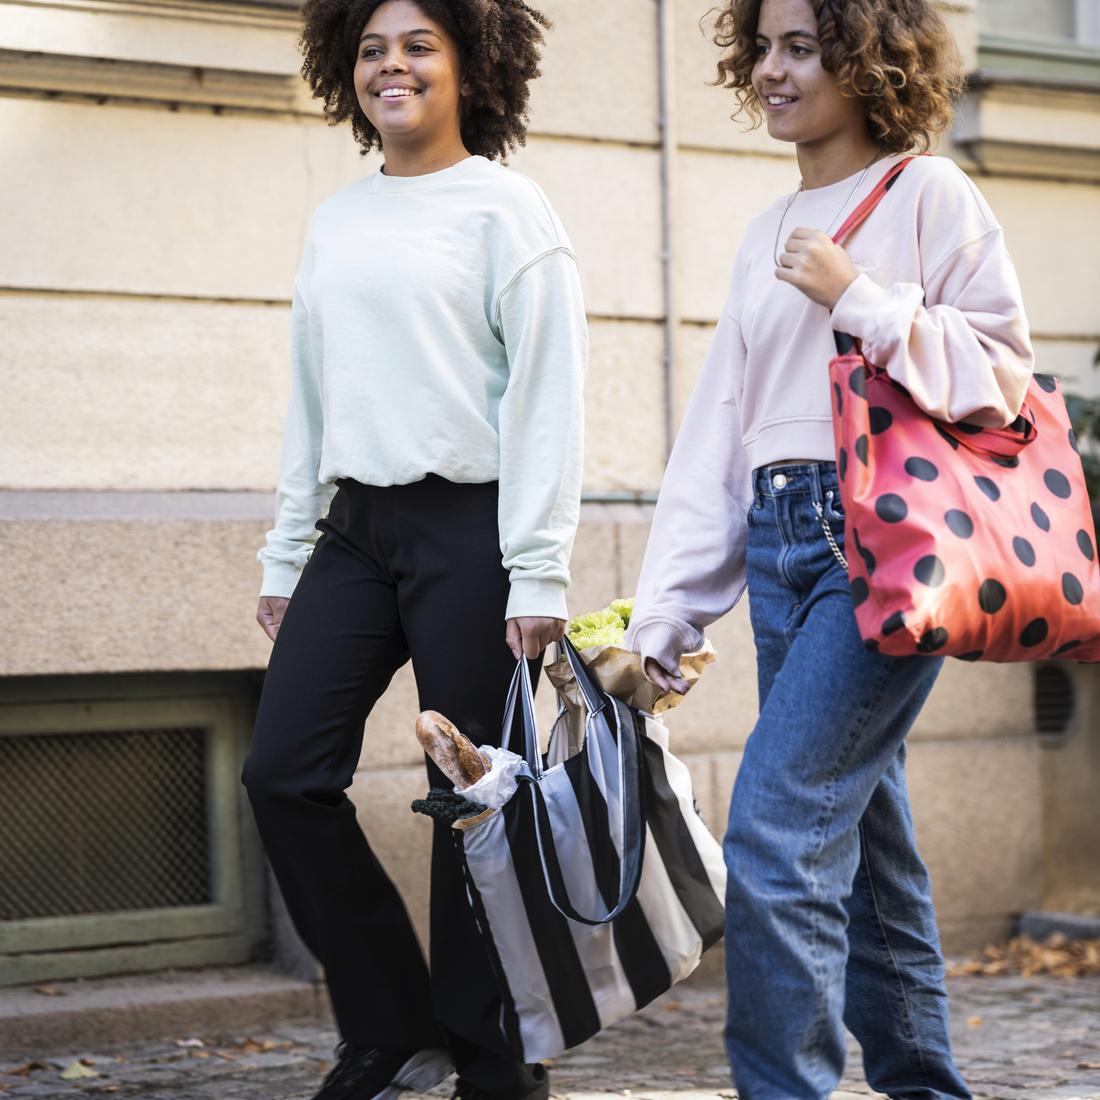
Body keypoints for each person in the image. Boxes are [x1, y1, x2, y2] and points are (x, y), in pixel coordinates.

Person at [625, 0, 1034, 1096]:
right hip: (779, 544)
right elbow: (723, 433)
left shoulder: (927, 196)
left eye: (798, 48)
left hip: (881, 546)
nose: (769, 70)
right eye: (760, 47)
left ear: (865, 60)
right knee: (869, 854)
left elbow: (1001, 379)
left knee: (772, 829)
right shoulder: (765, 231)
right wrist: (661, 618)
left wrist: (861, 302)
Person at [241, 1, 586, 1097]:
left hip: (471, 529)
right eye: (371, 50)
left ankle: (495, 1058)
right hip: (355, 527)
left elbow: (545, 402)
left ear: (470, 65)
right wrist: (286, 552)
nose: (390, 67)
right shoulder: (336, 220)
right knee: (283, 772)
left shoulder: (507, 211)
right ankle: (389, 1018)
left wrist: (536, 566)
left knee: (469, 803)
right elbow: (309, 394)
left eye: (418, 46)